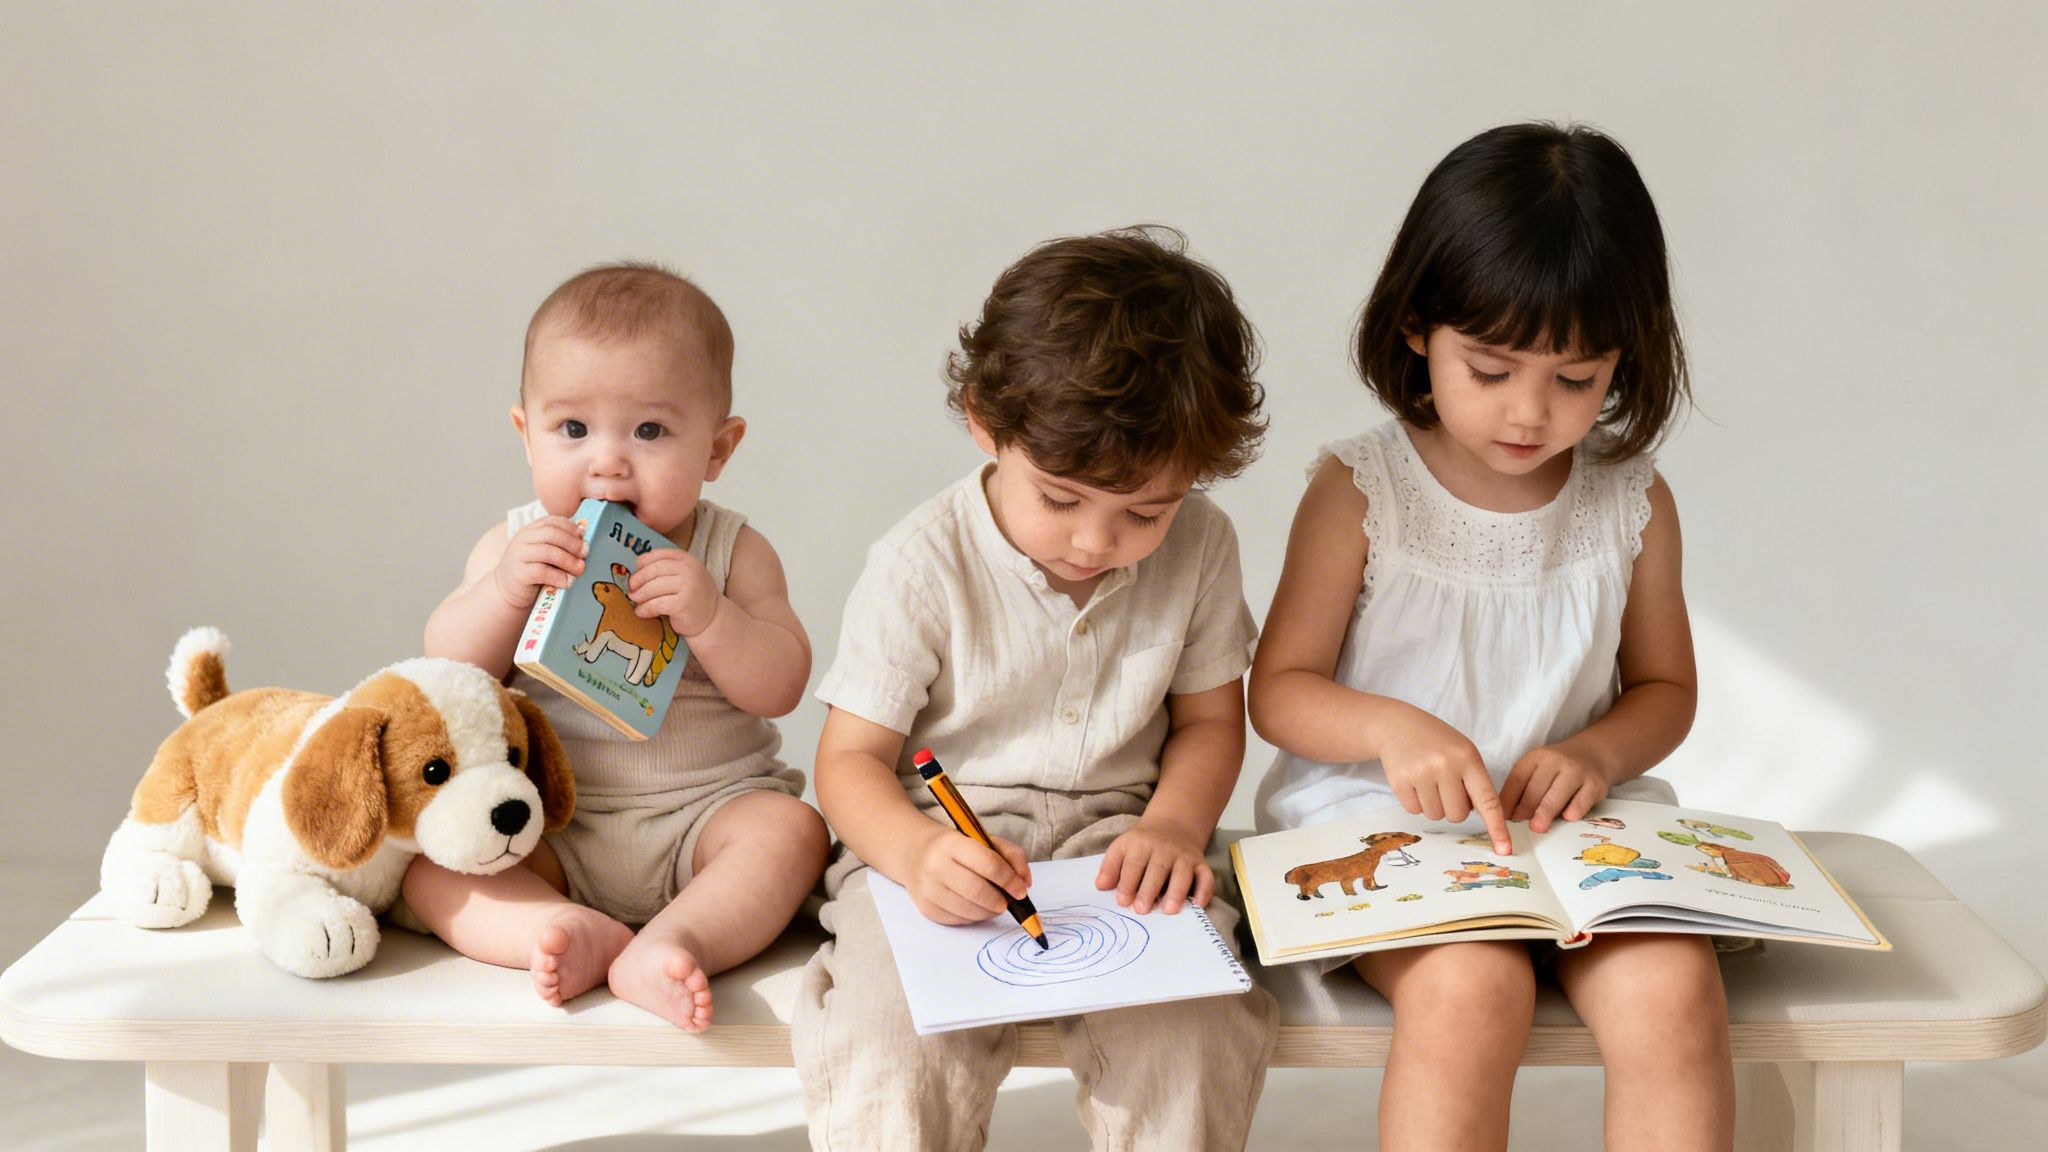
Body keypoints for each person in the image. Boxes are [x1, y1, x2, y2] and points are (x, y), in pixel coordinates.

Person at [1247, 123, 1733, 1151]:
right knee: (1472, 991)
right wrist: (1389, 729)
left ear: (1626, 359)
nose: (1529, 413)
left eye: (1575, 380)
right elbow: (1279, 689)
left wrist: (1597, 752)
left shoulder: (1631, 502)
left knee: (1674, 992)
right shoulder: (1361, 491)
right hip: (1379, 822)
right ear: (1416, 325)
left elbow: (1665, 689)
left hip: (1573, 826)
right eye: (1492, 369)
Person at [793, 226, 1278, 1150]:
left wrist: (1176, 827)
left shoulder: (1203, 545)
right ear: (985, 420)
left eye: (1145, 511)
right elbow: (849, 760)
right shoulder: (920, 562)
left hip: (1123, 842)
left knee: (1192, 1031)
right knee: (890, 1042)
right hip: (938, 847)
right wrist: (915, 854)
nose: (1097, 541)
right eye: (1060, 498)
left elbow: (1212, 723)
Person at [402, 263, 828, 1031]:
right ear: (525, 435)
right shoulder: (515, 543)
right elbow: (449, 668)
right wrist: (506, 589)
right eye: (573, 429)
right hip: (549, 823)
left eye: (650, 431)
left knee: (793, 834)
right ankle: (554, 927)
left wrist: (711, 616)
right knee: (433, 868)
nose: (607, 461)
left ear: (718, 448)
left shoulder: (733, 552)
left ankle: (674, 942)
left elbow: (783, 684)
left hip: (707, 816)